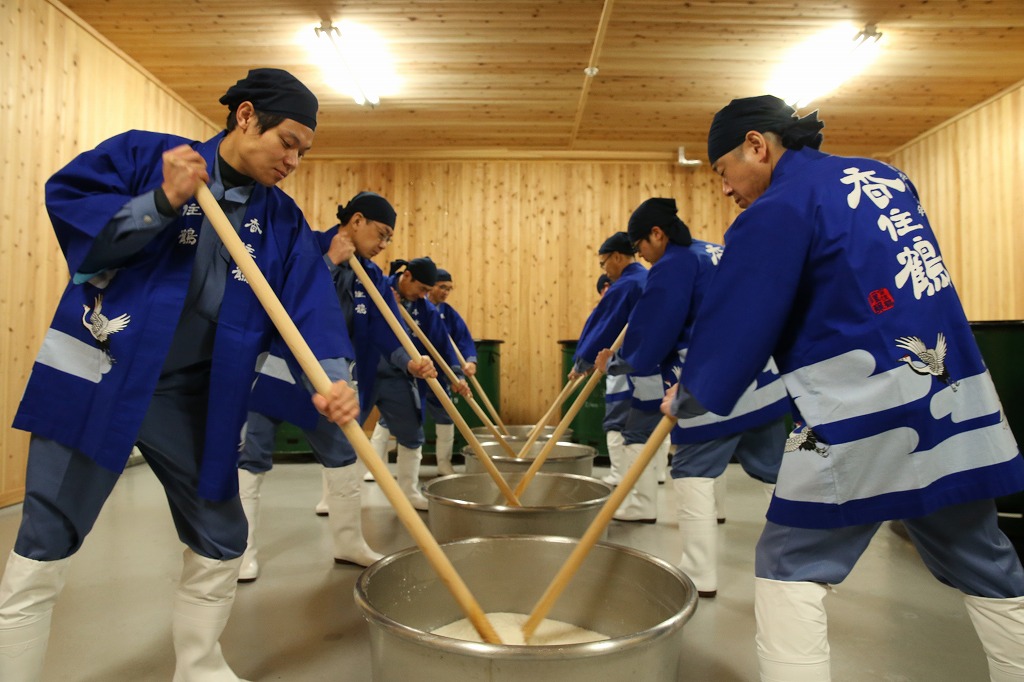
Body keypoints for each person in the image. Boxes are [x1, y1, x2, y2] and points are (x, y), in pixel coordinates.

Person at [0, 68, 361, 681]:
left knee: (223, 531)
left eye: (305, 150)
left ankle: (200, 667)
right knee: (44, 538)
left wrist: (330, 378)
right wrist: (160, 202)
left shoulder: (282, 222)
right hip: (102, 376)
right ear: (246, 116)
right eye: (289, 141)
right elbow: (74, 213)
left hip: (196, 396)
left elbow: (310, 308)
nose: (295, 159)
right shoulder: (147, 156)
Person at [665, 94, 1024, 680]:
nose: (725, 188)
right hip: (953, 397)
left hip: (867, 410)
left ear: (756, 145)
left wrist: (687, 395)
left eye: (722, 171)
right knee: (983, 558)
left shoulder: (779, 207)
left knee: (789, 561)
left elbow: (740, 316)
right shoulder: (885, 176)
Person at [238, 191, 430, 580]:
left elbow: (385, 327)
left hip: (334, 380)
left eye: (389, 239)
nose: (383, 245)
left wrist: (408, 360)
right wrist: (328, 263)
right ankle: (242, 551)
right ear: (355, 221)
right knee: (251, 453)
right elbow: (279, 299)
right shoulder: (304, 245)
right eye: (380, 233)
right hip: (276, 366)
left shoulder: (373, 275)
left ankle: (348, 543)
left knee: (344, 453)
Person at [626, 198, 789, 598]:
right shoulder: (714, 251)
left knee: (692, 471)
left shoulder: (674, 265)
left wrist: (626, 360)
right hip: (763, 379)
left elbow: (656, 329)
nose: (642, 257)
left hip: (710, 381)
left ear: (657, 234)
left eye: (640, 246)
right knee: (776, 474)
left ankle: (699, 572)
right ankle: (794, 563)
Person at [366, 257, 465, 509]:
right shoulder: (379, 288)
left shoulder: (425, 309)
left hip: (402, 374)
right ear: (406, 276)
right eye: (422, 288)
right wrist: (387, 302)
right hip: (366, 367)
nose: (424, 295)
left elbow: (442, 343)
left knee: (411, 432)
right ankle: (355, 482)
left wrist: (456, 375)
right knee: (342, 433)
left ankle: (408, 492)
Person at [569, 232, 647, 488]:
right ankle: (639, 487)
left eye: (603, 263)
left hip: (628, 368)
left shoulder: (627, 285)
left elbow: (603, 325)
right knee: (646, 429)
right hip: (655, 368)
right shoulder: (648, 279)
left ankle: (629, 489)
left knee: (622, 426)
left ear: (617, 257)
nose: (604, 270)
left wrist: (583, 361)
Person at [425, 269, 478, 476]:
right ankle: (374, 467)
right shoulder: (419, 308)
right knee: (390, 419)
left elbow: (463, 341)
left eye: (449, 289)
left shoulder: (449, 314)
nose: (446, 292)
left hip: (441, 373)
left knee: (446, 416)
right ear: (431, 286)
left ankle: (443, 464)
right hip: (415, 372)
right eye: (442, 287)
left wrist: (469, 362)